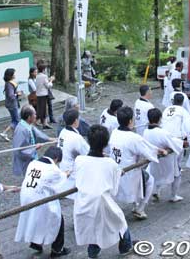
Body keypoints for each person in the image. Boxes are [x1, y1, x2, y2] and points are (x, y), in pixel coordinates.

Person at [74, 125, 134, 258]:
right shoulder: (110, 164)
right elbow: (113, 190)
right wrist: (117, 173)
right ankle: (126, 246)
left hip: (83, 202)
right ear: (105, 143)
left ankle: (92, 253)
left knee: (95, 229)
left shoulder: (79, 160)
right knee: (119, 221)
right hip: (102, 202)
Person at [15, 147, 71, 257]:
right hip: (39, 199)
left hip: (26, 196)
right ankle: (57, 250)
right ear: (55, 158)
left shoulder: (33, 163)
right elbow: (61, 181)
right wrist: (67, 173)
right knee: (58, 219)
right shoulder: (53, 169)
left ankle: (36, 243)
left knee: (34, 220)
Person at [109, 106, 163, 220]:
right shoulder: (133, 137)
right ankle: (140, 209)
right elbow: (148, 151)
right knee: (150, 180)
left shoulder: (114, 132)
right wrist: (160, 151)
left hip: (116, 170)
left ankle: (136, 206)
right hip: (129, 172)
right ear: (130, 121)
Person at [143, 108, 184, 202]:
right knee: (177, 175)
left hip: (155, 160)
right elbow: (174, 144)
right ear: (160, 119)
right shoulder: (162, 133)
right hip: (166, 160)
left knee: (155, 175)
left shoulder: (146, 132)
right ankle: (173, 196)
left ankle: (156, 191)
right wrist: (182, 142)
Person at [12, 105, 53, 177]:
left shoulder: (27, 125)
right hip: (27, 162)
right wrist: (34, 148)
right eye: (34, 114)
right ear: (29, 117)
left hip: (32, 158)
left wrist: (49, 139)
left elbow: (37, 134)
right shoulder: (21, 130)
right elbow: (20, 150)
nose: (36, 116)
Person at [2, 68, 22, 141]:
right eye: (13, 73)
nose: (15, 75)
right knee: (16, 120)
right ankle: (4, 132)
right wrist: (17, 94)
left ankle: (14, 135)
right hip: (12, 104)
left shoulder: (8, 83)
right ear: (11, 75)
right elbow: (11, 95)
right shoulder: (10, 84)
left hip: (10, 104)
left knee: (14, 119)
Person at [36, 61, 55, 129]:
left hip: (38, 94)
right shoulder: (44, 76)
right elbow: (48, 86)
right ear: (43, 69)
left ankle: (44, 123)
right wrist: (51, 81)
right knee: (44, 109)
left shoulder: (37, 76)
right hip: (44, 94)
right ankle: (44, 123)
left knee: (41, 109)